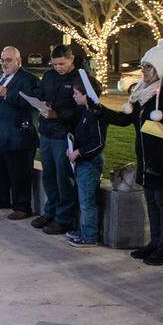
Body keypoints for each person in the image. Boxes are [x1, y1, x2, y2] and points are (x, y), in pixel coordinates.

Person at [96, 39, 163, 266]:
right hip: (146, 156)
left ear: (161, 68)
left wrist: (158, 129)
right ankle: (154, 242)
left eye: (149, 66)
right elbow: (126, 119)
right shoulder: (143, 92)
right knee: (151, 199)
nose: (144, 71)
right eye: (143, 66)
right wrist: (99, 109)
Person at [35, 44, 91, 235]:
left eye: (61, 63)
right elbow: (41, 92)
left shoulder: (79, 79)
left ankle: (64, 218)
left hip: (64, 134)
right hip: (46, 132)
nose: (57, 67)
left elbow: (81, 109)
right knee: (48, 175)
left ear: (71, 59)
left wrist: (57, 114)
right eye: (54, 64)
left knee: (63, 178)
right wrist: (42, 103)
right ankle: (50, 211)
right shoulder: (50, 76)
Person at [0, 47, 41, 219]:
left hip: (17, 135)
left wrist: (8, 93)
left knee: (19, 172)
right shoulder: (3, 77)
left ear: (18, 60)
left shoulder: (28, 79)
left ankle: (22, 207)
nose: (4, 64)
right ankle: (1, 199)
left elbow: (32, 102)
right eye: (2, 60)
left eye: (8, 60)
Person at [67, 83, 108, 247]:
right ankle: (83, 230)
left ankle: (90, 236)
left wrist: (79, 152)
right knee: (82, 198)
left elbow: (98, 142)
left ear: (87, 95)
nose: (74, 96)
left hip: (89, 163)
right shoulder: (85, 111)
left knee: (87, 201)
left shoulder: (96, 113)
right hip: (81, 161)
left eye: (76, 93)